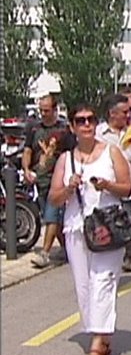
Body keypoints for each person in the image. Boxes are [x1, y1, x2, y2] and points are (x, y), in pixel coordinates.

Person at [47, 104, 131, 355]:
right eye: (80, 120)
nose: (86, 125)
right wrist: (69, 188)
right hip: (77, 227)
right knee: (84, 286)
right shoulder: (65, 160)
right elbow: (54, 197)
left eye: (91, 120)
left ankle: (97, 344)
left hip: (107, 226)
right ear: (72, 126)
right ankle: (102, 333)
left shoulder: (111, 152)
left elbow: (127, 187)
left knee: (103, 282)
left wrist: (107, 185)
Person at [96, 94, 131, 272]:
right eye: (125, 112)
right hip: (105, 193)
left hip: (129, 191)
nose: (128, 116)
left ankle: (130, 258)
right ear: (112, 113)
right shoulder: (98, 134)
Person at [23, 94, 73, 268]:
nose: (43, 114)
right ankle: (69, 250)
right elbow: (28, 151)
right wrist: (27, 169)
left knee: (52, 216)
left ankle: (44, 253)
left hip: (57, 181)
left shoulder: (64, 130)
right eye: (41, 110)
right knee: (52, 219)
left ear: (55, 109)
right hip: (40, 180)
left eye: (46, 110)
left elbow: (71, 154)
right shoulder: (34, 129)